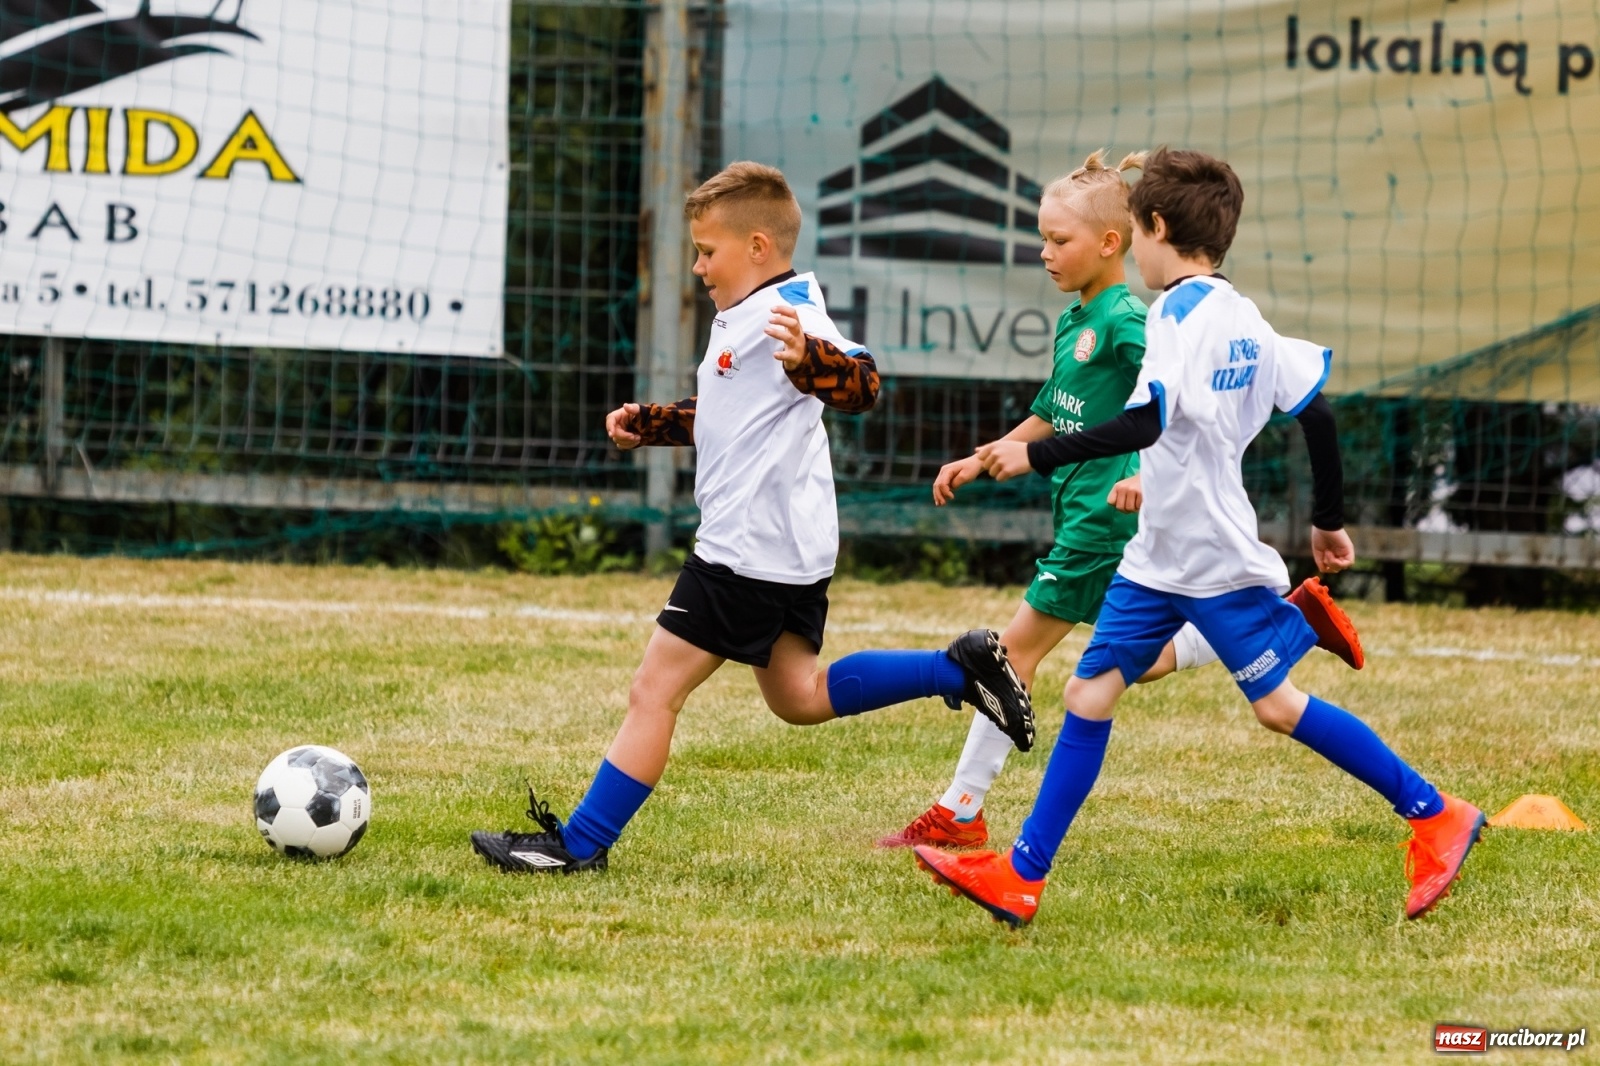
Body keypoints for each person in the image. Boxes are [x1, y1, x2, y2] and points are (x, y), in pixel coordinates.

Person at [913, 148, 1484, 925]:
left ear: (1149, 230)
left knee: (1277, 709)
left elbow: (1147, 418)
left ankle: (1434, 812)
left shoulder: (1173, 318)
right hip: (1156, 556)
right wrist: (1327, 520)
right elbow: (1313, 408)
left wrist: (1032, 452)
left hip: (1209, 559)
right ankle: (1021, 877)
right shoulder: (1241, 314)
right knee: (1088, 692)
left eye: (1137, 234)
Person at [470, 161, 1032, 873]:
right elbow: (732, 415)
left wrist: (812, 359)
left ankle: (578, 846)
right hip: (786, 549)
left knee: (653, 690)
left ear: (758, 247)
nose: (699, 266)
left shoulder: (789, 314)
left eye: (709, 251)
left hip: (744, 552)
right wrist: (652, 423)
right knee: (799, 696)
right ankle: (956, 670)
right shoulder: (745, 314)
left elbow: (862, 382)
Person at [877, 150, 1364, 851]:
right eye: (1041, 238)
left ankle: (960, 808)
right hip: (1089, 515)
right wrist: (985, 457)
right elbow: (1056, 407)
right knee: (1120, 665)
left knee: (1011, 655)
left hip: (1106, 523)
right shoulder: (1078, 321)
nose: (1044, 253)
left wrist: (1144, 470)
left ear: (1118, 241)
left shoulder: (1136, 322)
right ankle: (1289, 625)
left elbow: (1166, 408)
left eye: (1058, 240)